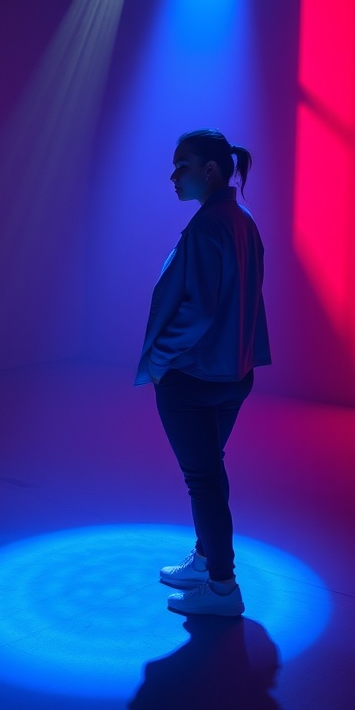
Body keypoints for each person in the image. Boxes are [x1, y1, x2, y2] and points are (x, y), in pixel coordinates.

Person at [135, 128, 271, 617]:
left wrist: (158, 360)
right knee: (211, 472)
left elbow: (200, 312)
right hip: (233, 374)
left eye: (182, 166)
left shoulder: (209, 226)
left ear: (210, 170)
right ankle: (207, 560)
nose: (173, 176)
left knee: (204, 479)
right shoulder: (242, 220)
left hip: (194, 376)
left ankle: (222, 587)